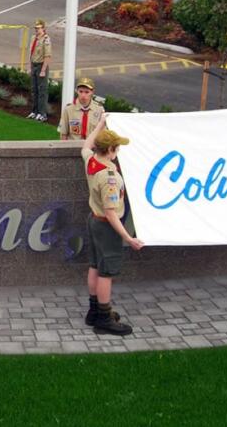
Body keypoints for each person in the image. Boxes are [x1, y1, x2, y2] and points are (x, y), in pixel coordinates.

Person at [81, 116, 142, 336]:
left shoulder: (91, 160)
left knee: (95, 265)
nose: (119, 151)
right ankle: (104, 319)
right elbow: (111, 212)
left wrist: (100, 124)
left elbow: (86, 144)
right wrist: (128, 237)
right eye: (117, 147)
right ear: (111, 150)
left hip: (94, 220)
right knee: (107, 272)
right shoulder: (109, 178)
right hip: (107, 226)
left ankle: (94, 311)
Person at [27, 19, 52, 120]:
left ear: (43, 28)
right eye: (35, 28)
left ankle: (42, 113)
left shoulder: (46, 40)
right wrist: (29, 66)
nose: (36, 30)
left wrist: (43, 70)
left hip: (41, 65)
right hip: (34, 64)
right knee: (34, 89)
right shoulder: (34, 38)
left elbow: (47, 56)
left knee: (42, 91)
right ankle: (34, 111)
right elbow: (31, 53)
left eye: (38, 28)